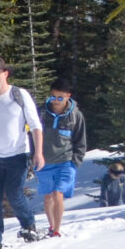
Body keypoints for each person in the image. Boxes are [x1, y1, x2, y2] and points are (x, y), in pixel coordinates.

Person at [0, 57, 44, 247]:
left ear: (6, 74)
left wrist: (39, 153)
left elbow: (35, 125)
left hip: (18, 155)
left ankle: (29, 225)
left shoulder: (19, 95)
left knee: (15, 194)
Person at [36, 79, 88, 239]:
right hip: (44, 162)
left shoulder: (75, 116)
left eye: (60, 98)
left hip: (65, 162)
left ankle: (57, 229)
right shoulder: (41, 112)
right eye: (53, 97)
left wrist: (75, 162)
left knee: (58, 194)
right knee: (48, 196)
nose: (56, 101)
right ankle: (51, 226)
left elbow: (80, 140)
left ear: (68, 96)